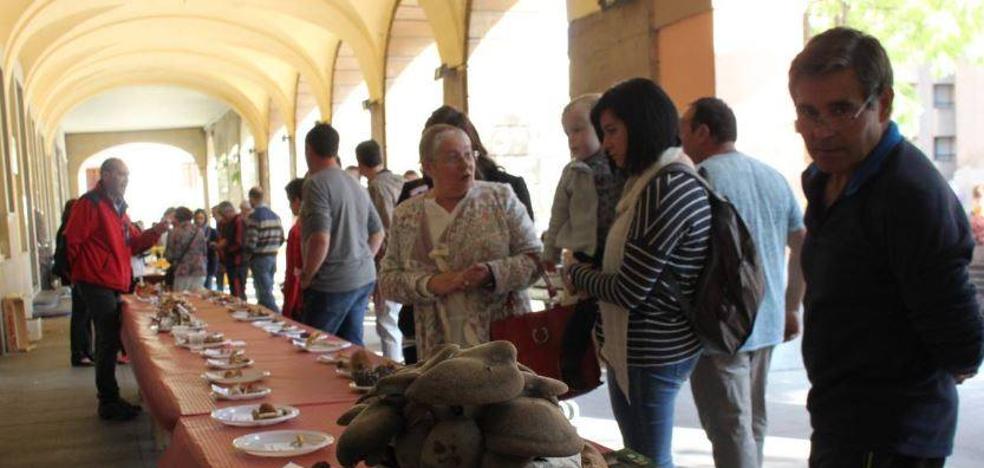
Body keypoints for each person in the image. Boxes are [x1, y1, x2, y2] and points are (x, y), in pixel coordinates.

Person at [789, 27, 983, 467]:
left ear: (884, 103)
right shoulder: (825, 177)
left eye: (840, 110)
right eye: (807, 112)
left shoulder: (908, 195)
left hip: (893, 435)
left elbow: (962, 345)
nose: (819, 131)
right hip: (840, 419)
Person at [565, 78, 711, 466]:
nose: (606, 143)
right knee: (639, 453)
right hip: (639, 348)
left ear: (641, 124)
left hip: (652, 350)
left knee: (648, 457)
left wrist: (575, 274)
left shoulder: (664, 188)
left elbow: (631, 289)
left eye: (612, 131)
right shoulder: (648, 183)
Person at [679, 97, 806, 468]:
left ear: (703, 131)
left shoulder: (702, 179)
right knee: (754, 423)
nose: (680, 137)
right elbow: (802, 244)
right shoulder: (773, 176)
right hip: (765, 322)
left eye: (685, 128)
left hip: (722, 325)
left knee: (729, 427)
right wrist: (791, 306)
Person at [380, 124, 542, 359]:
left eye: (469, 154)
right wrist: (431, 284)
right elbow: (388, 281)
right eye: (453, 158)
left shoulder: (500, 198)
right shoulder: (407, 214)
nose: (466, 164)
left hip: (501, 344)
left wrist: (491, 273)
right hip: (439, 350)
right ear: (428, 166)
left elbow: (535, 260)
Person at [64, 158, 170, 421]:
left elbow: (133, 243)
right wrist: (81, 275)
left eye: (128, 175)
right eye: (121, 174)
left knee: (112, 335)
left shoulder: (120, 209)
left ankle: (111, 397)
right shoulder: (90, 204)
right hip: (96, 279)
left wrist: (157, 230)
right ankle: (108, 400)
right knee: (108, 336)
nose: (126, 179)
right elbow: (72, 241)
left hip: (113, 279)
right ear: (107, 175)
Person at [299, 123, 385, 345]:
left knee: (313, 348)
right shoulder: (355, 183)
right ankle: (358, 380)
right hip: (363, 277)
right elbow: (378, 233)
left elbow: (320, 238)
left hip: (332, 281)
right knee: (351, 346)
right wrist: (361, 257)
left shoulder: (315, 184)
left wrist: (307, 276)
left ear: (308, 149)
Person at [397, 105, 535, 223]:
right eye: (451, 157)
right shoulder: (413, 196)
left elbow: (530, 251)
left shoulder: (508, 191)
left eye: (466, 154)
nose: (463, 165)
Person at [543, 93, 623, 268]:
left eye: (578, 130)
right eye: (567, 133)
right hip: (584, 250)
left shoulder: (619, 164)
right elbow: (558, 214)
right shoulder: (572, 172)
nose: (572, 139)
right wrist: (550, 253)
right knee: (585, 289)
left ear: (601, 128)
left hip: (616, 246)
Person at [356, 139, 405, 362]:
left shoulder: (376, 186)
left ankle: (392, 368)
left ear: (360, 163)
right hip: (409, 258)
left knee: (387, 322)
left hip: (388, 260)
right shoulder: (400, 180)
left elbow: (382, 228)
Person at [54, 198, 93, 367]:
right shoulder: (67, 230)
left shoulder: (68, 227)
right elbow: (64, 257)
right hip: (78, 277)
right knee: (80, 317)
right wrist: (73, 277)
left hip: (80, 277)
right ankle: (79, 354)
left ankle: (87, 352)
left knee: (85, 316)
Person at [244, 186, 285, 313]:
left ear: (252, 198)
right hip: (272, 256)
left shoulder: (255, 217)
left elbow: (252, 241)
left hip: (259, 258)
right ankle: (266, 317)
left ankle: (277, 316)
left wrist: (247, 256)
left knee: (264, 293)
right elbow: (282, 238)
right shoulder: (275, 216)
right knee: (268, 288)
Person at [165, 207, 207, 292]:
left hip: (182, 271)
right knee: (197, 300)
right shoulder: (199, 231)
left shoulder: (174, 232)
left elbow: (169, 255)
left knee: (182, 301)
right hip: (199, 270)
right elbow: (204, 251)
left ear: (177, 218)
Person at [282, 178, 305, 320]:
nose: (290, 207)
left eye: (290, 202)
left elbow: (294, 269)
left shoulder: (297, 230)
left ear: (297, 200)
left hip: (301, 295)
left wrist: (288, 307)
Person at [216, 201, 247, 300]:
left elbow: (239, 243)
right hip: (230, 262)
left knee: (238, 292)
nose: (223, 219)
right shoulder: (226, 223)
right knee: (234, 291)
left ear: (229, 211)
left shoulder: (238, 221)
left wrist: (224, 247)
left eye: (224, 216)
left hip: (237, 262)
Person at [194, 209, 220, 290]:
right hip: (195, 264)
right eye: (197, 218)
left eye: (201, 218)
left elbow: (216, 247)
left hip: (209, 263)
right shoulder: (191, 232)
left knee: (208, 286)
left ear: (205, 219)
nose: (199, 221)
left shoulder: (212, 231)